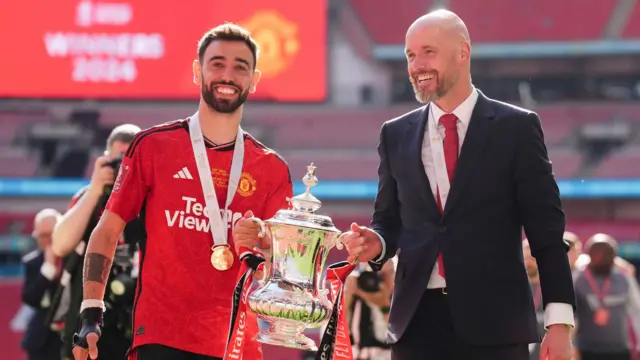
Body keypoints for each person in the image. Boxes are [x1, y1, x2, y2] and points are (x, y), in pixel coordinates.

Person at [339, 9, 575, 360]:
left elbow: (547, 234)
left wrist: (559, 324)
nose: (416, 64)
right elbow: (388, 222)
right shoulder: (394, 134)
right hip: (415, 324)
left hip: (496, 325)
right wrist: (377, 242)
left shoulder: (517, 128)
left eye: (428, 52)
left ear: (463, 52)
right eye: (410, 54)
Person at [71, 23, 293, 360]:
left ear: (254, 79)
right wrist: (91, 311)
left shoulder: (272, 168)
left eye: (240, 67)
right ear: (196, 70)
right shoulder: (152, 146)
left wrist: (265, 240)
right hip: (162, 336)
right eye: (217, 63)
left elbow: (286, 264)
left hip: (237, 344)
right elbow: (108, 229)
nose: (227, 75)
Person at [52, 124, 141, 360]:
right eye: (116, 161)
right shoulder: (88, 197)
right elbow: (60, 245)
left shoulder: (150, 200)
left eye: (127, 160)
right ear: (104, 159)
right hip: (85, 321)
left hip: (135, 323)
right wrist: (94, 190)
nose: (121, 167)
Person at [573, 234, 640, 360]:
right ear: (589, 254)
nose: (601, 257)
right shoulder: (578, 278)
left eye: (607, 253)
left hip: (619, 350)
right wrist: (571, 345)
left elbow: (637, 312)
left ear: (614, 256)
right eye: (596, 253)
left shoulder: (624, 278)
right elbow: (572, 316)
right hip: (586, 350)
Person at [21, 209, 63, 360]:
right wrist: (48, 270)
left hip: (71, 338)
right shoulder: (32, 262)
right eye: (42, 236)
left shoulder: (74, 258)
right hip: (42, 340)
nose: (47, 240)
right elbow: (30, 298)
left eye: (50, 234)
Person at [344, 261, 394, 360]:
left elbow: (398, 338)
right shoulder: (356, 300)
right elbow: (337, 335)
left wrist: (384, 306)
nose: (379, 281)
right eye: (374, 274)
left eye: (384, 274)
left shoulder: (403, 303)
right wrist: (347, 296)